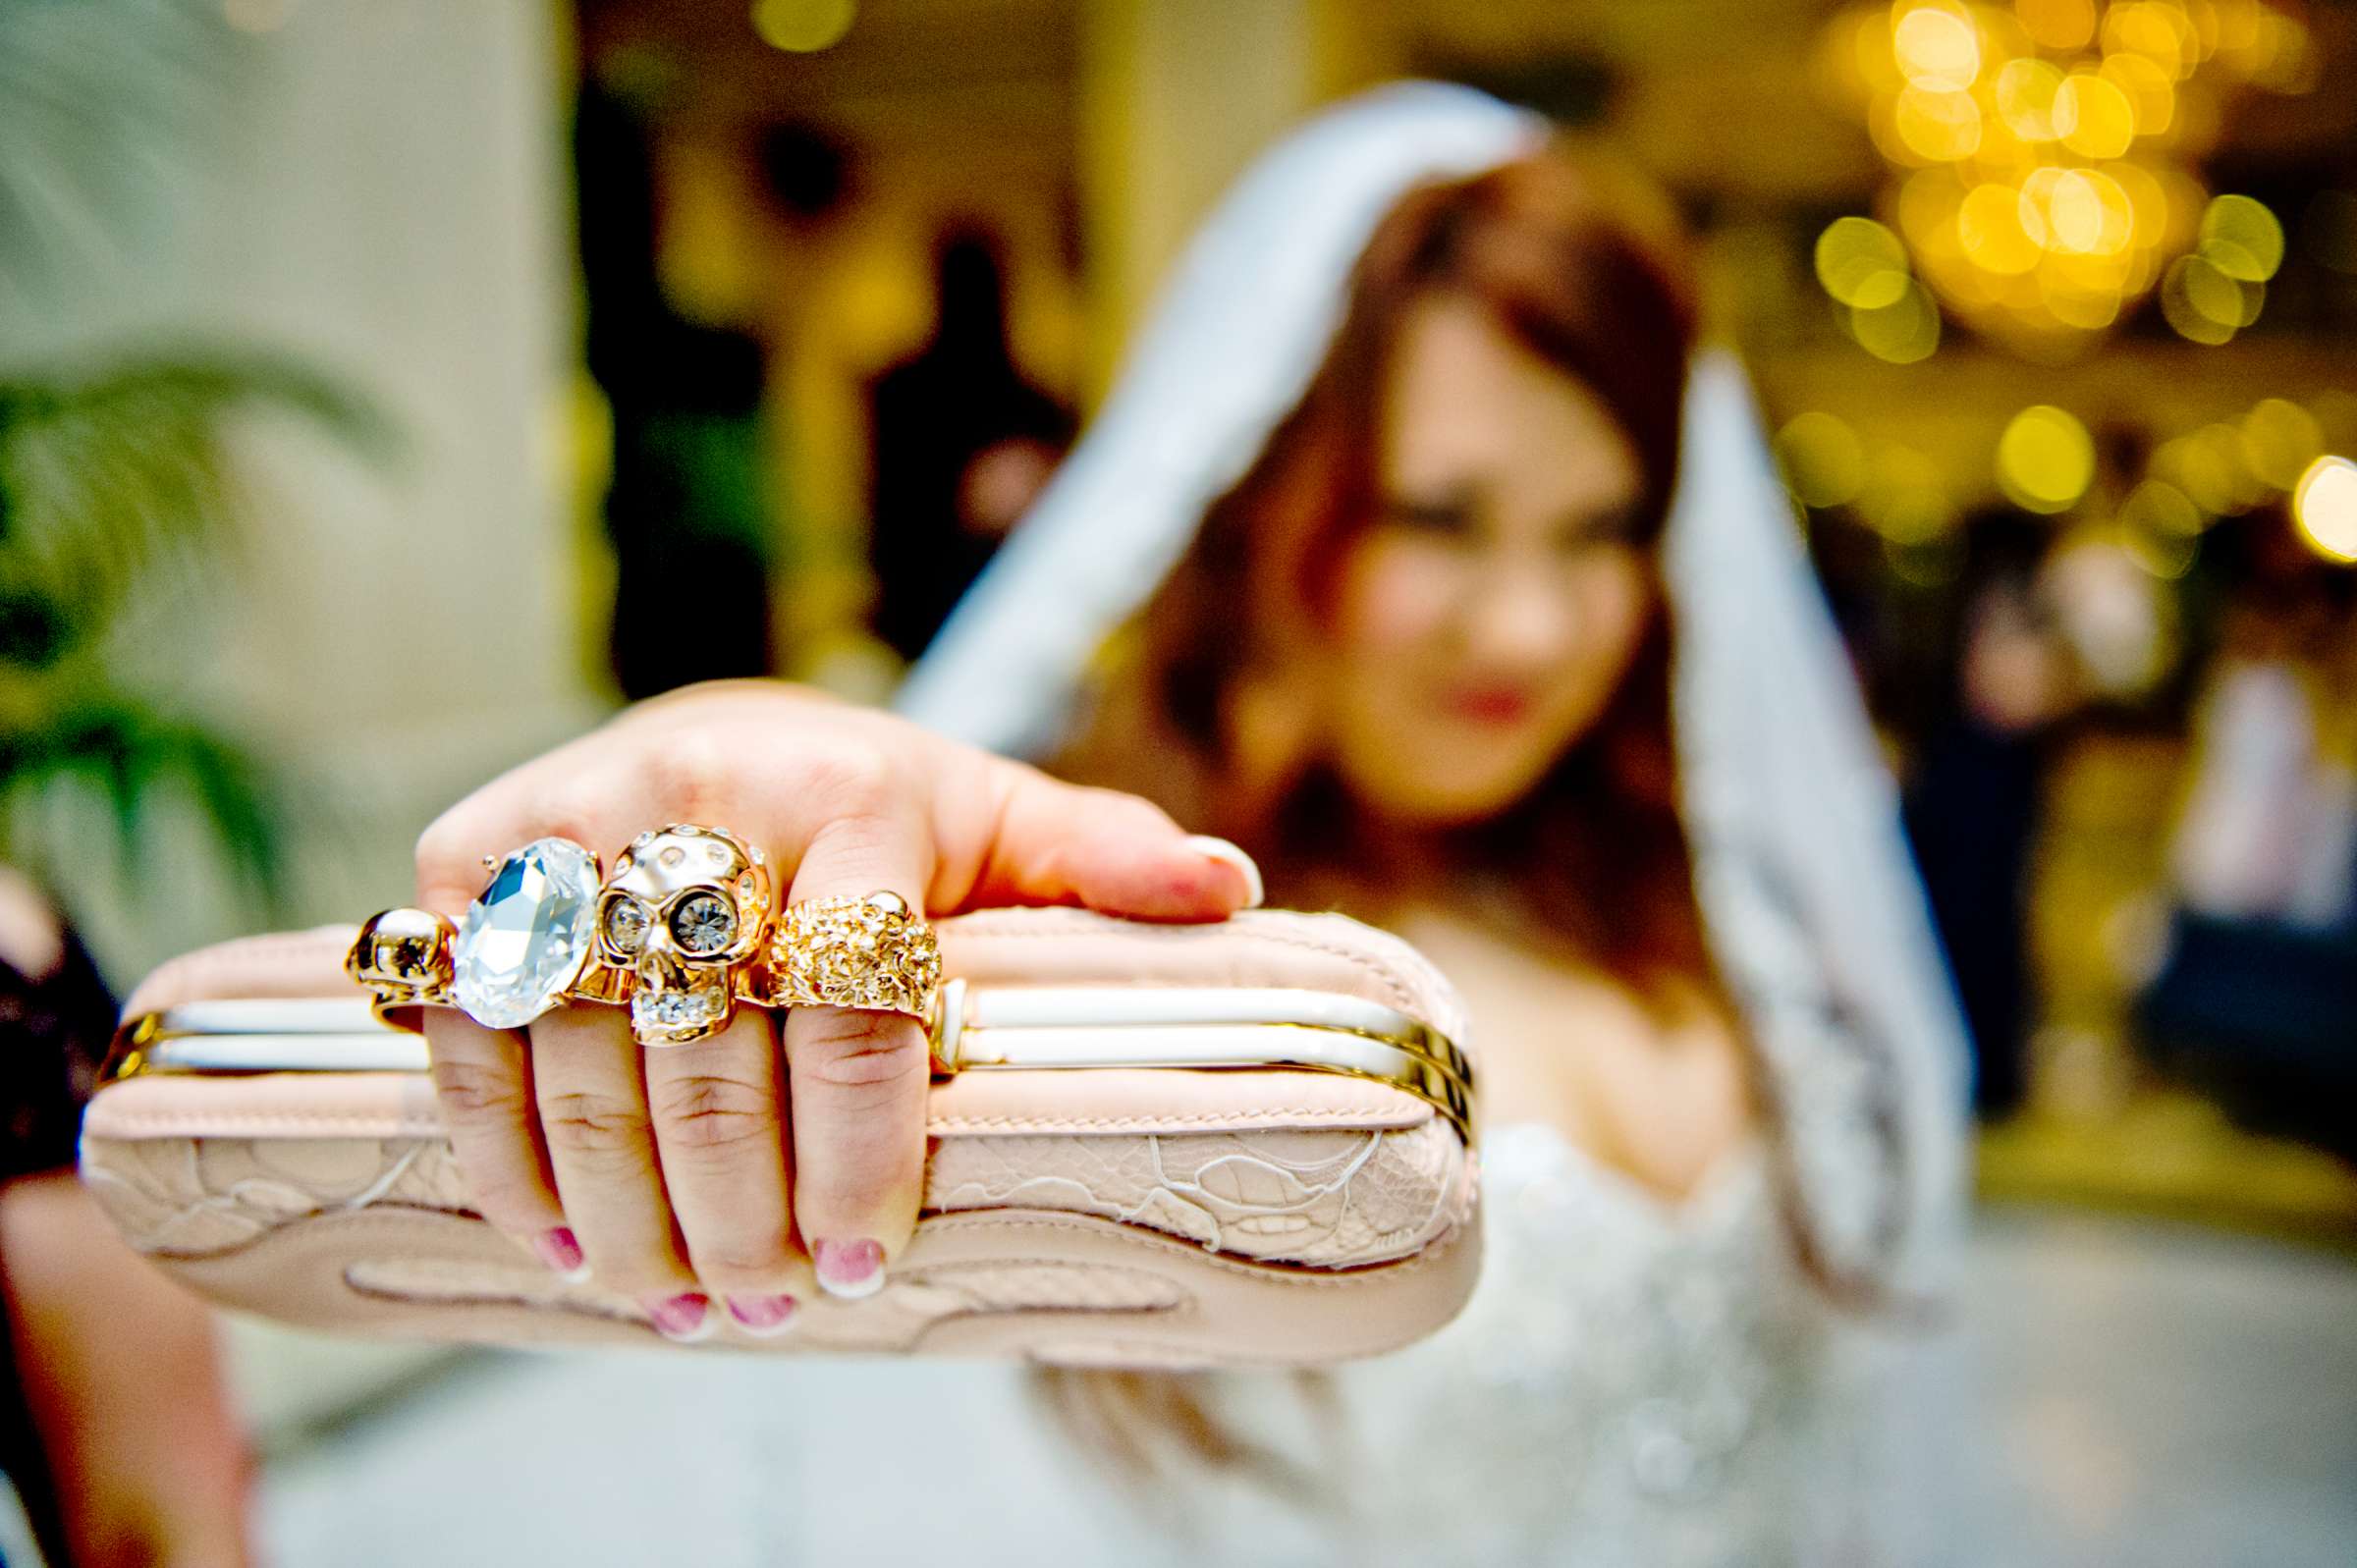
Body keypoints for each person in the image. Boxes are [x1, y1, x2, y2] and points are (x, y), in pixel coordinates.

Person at [392, 85, 1965, 1565]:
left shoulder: (1680, 889)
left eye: (1603, 531)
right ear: (1269, 496)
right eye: (1442, 517)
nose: (1533, 626)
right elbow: (784, 788)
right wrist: (704, 777)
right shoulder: (1120, 931)